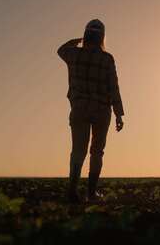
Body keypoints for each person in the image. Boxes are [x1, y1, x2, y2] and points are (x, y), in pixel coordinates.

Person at [57, 19, 124, 203]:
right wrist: (119, 113)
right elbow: (114, 88)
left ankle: (72, 191)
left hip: (79, 109)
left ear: (86, 35)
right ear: (102, 37)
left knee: (78, 150)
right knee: (97, 152)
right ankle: (91, 193)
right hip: (102, 111)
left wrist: (76, 40)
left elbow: (60, 50)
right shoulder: (107, 59)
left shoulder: (73, 54)